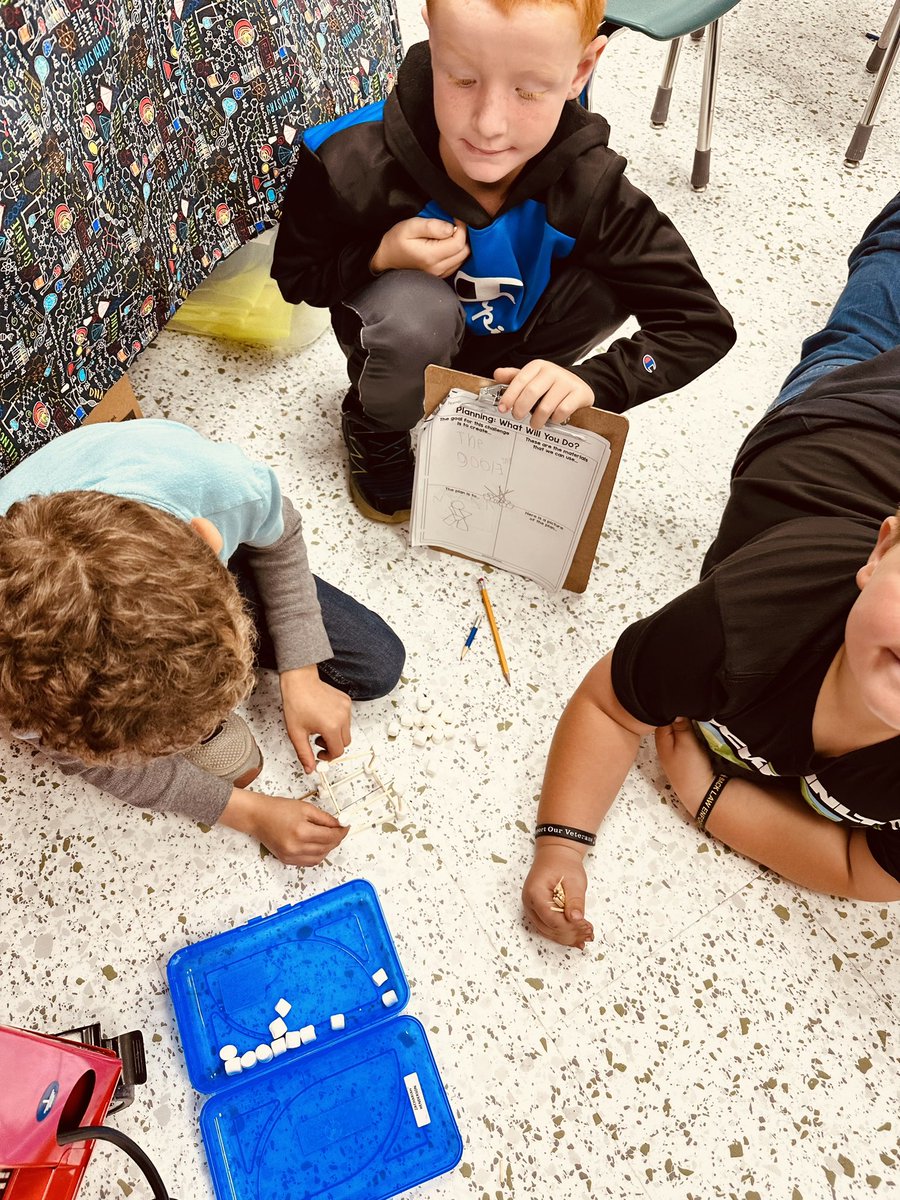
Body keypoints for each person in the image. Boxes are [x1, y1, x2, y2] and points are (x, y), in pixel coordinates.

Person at [521, 189, 900, 948]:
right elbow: (609, 706)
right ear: (882, 554)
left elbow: (867, 871)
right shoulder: (750, 617)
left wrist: (709, 797)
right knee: (873, 311)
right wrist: (561, 842)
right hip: (849, 413)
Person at [271, 0, 736, 523]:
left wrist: (595, 382)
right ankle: (376, 420)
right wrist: (377, 258)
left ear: (581, 70)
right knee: (413, 316)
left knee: (614, 276)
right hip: (411, 340)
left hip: (520, 353)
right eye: (462, 78)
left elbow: (700, 325)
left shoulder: (594, 190)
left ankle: (509, 404)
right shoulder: (347, 160)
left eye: (530, 90)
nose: (490, 125)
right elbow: (297, 277)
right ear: (433, 37)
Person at [0, 418, 405, 867]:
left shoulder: (218, 486)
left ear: (209, 544)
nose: (213, 726)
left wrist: (302, 672)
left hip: (168, 518)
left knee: (378, 664)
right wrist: (250, 814)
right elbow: (84, 758)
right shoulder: (20, 679)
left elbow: (282, 535)